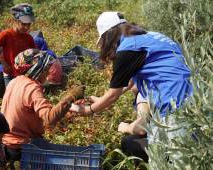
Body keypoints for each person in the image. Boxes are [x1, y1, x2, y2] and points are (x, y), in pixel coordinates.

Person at [70, 12, 193, 162]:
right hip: (196, 100)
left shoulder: (128, 49)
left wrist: (87, 110)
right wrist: (101, 99)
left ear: (108, 35)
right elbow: (129, 83)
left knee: (170, 161)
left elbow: (114, 94)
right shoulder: (149, 37)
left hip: (175, 106)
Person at [0, 49, 85, 169]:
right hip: (22, 147)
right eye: (46, 68)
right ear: (37, 69)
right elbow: (50, 119)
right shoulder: (32, 88)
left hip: (6, 143)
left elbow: (29, 114)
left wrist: (68, 111)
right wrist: (71, 96)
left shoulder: (15, 82)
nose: (47, 72)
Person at [0, 3, 36, 86]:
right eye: (23, 24)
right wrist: (2, 62)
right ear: (15, 21)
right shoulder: (6, 34)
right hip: (10, 75)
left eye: (29, 24)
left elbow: (35, 52)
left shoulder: (28, 37)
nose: (26, 27)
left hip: (25, 75)